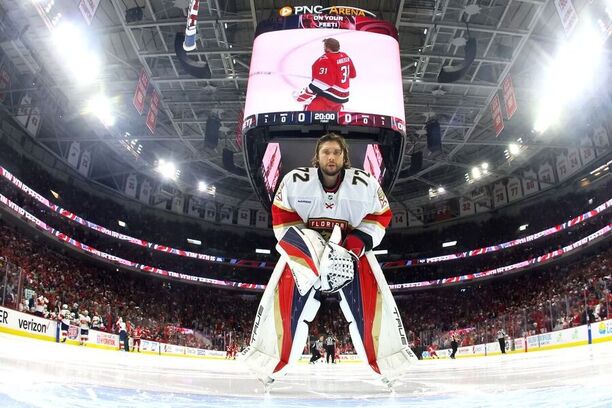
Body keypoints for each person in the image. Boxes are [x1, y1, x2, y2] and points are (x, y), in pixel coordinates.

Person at [243, 133, 416, 389]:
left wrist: (353, 247)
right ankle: (269, 364)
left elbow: (380, 215)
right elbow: (281, 216)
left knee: (373, 304)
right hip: (306, 251)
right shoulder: (295, 180)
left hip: (349, 251)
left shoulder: (365, 183)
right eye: (326, 152)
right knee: (282, 303)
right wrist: (310, 252)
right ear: (317, 156)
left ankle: (389, 365)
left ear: (344, 157)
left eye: (336, 152)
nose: (331, 157)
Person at [294, 38, 356, 112]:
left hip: (328, 98)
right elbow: (353, 74)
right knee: (334, 120)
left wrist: (305, 94)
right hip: (342, 98)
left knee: (310, 117)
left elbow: (323, 83)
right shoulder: (345, 56)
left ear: (327, 47)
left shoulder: (326, 59)